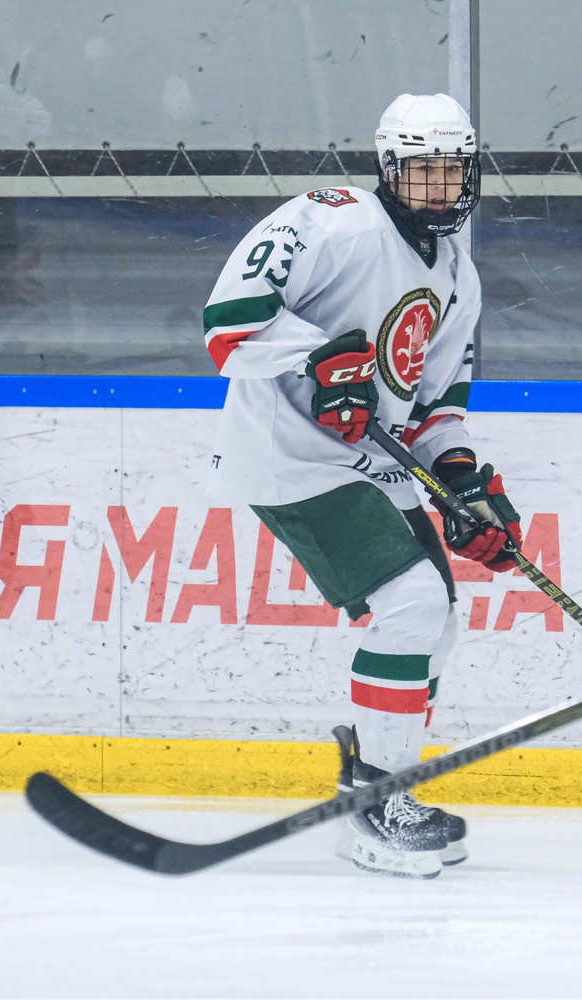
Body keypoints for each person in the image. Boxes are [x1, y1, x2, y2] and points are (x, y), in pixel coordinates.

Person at [201, 93, 522, 879]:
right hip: (289, 455)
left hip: (372, 463)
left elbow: (436, 408)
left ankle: (375, 784)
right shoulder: (330, 221)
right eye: (421, 170)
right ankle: (379, 803)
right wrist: (317, 358)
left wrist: (465, 486)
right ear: (388, 168)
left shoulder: (457, 274)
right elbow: (229, 324)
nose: (439, 187)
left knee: (436, 622)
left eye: (452, 170)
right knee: (411, 604)